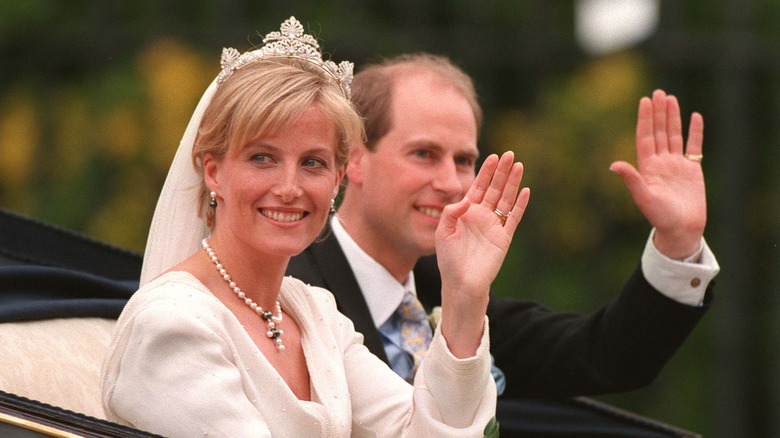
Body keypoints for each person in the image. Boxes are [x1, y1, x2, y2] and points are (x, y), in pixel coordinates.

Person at [101, 18, 528, 437]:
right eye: (262, 158)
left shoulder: (316, 316)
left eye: (312, 163)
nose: (289, 189)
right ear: (213, 172)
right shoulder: (173, 324)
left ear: (338, 178)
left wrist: (464, 294)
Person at [287, 53, 720, 399]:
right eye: (424, 154)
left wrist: (678, 242)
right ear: (355, 159)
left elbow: (606, 357)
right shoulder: (290, 287)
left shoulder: (451, 289)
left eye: (464, 161)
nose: (451, 183)